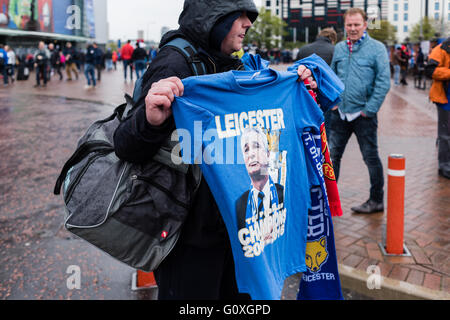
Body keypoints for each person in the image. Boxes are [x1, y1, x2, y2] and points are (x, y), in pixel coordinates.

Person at [113, 0, 317, 300]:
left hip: (236, 231)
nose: (249, 23)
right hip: (191, 238)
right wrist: (149, 120)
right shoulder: (174, 63)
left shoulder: (233, 60)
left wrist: (294, 86)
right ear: (215, 17)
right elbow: (125, 145)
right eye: (241, 15)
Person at [329, 8, 390, 214]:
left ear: (365, 25)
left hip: (364, 116)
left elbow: (383, 82)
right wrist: (333, 103)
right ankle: (329, 201)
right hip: (340, 114)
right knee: (332, 157)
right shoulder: (339, 48)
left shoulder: (377, 49)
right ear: (344, 26)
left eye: (357, 24)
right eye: (349, 25)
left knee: (370, 158)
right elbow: (331, 78)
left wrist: (369, 110)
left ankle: (376, 200)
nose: (353, 29)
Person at [235, 127, 284, 232]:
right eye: (246, 149)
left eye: (256, 146)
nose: (251, 154)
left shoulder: (285, 195)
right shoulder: (239, 205)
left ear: (268, 154)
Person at [425, 37, 450, 179]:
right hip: (445, 99)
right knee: (445, 135)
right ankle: (444, 165)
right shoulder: (440, 49)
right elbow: (430, 70)